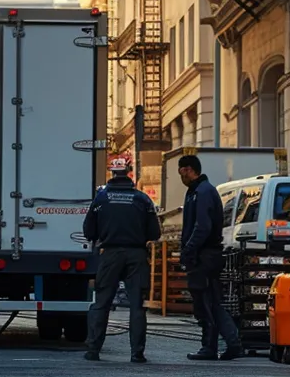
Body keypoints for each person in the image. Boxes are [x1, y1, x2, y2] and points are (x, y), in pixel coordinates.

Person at [82, 160, 159, 363]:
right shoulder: (142, 200)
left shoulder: (101, 199)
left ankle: (93, 350)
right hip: (136, 255)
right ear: (129, 173)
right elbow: (155, 232)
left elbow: (88, 231)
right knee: (136, 305)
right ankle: (137, 353)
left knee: (102, 302)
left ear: (112, 174)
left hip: (110, 254)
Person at [176, 155, 242, 361]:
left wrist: (188, 250)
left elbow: (202, 227)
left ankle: (216, 345)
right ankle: (224, 344)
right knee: (212, 302)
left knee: (206, 304)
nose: (181, 178)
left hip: (204, 257)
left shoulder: (202, 192)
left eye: (181, 173)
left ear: (188, 169)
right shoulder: (199, 191)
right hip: (207, 256)